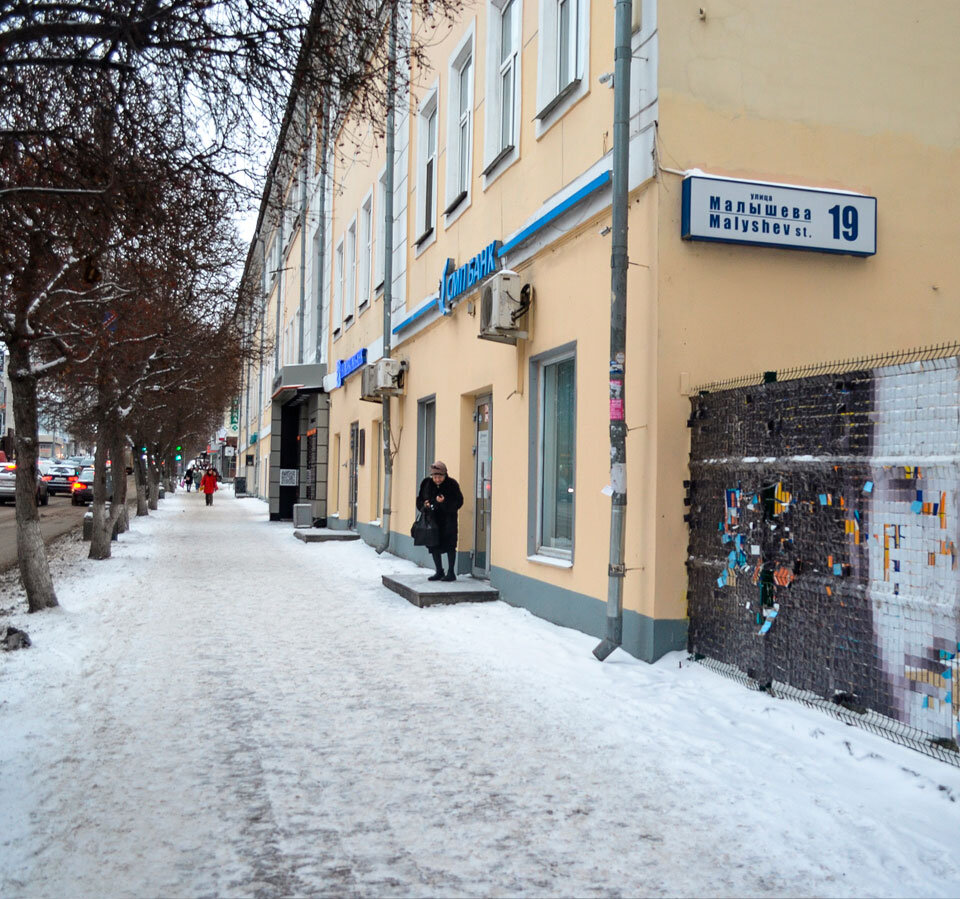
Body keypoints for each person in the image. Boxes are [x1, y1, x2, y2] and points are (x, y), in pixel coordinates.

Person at [416, 461, 464, 581]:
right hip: (433, 521)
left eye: (440, 477)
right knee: (433, 545)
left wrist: (444, 502)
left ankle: (451, 572)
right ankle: (439, 571)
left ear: (445, 475)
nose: (437, 479)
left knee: (450, 545)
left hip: (448, 522)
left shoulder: (452, 484)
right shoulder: (427, 484)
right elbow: (420, 500)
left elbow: (459, 501)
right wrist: (425, 504)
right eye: (435, 477)